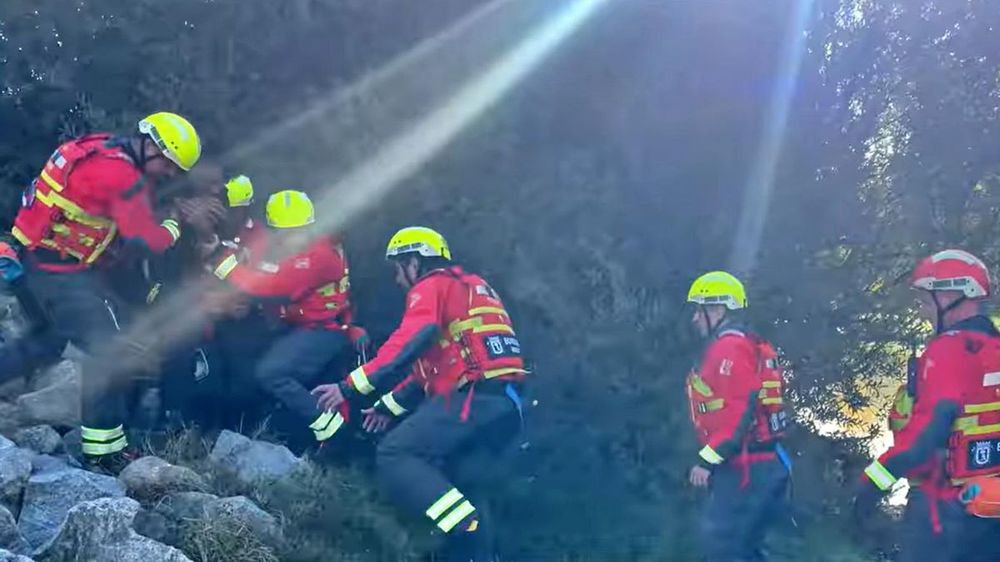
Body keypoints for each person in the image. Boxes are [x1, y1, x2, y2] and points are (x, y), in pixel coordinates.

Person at [312, 226, 527, 562]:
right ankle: (477, 554)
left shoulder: (432, 285)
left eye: (398, 269)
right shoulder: (471, 289)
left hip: (474, 399)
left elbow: (406, 344)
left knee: (397, 453)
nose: (398, 280)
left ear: (415, 262)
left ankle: (463, 536)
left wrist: (347, 387)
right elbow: (425, 373)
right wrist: (385, 407)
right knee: (460, 481)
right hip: (505, 406)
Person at [9, 111, 203, 472]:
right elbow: (145, 241)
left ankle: (103, 444)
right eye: (171, 166)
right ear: (153, 148)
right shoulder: (123, 176)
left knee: (45, 344)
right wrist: (176, 225)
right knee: (110, 350)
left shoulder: (97, 148)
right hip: (56, 269)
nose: (170, 174)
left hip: (36, 258)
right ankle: (102, 451)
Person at [855, 249, 1000, 562]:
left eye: (924, 301)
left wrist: (870, 485)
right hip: (990, 504)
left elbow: (924, 438)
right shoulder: (994, 348)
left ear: (951, 295)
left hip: (944, 509)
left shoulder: (947, 350)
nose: (922, 312)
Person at [210, 189, 366, 448]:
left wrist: (224, 264)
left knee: (272, 373)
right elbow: (271, 272)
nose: (292, 237)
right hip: (306, 325)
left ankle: (332, 431)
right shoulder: (315, 245)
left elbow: (269, 287)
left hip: (321, 330)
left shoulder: (316, 255)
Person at [684, 271, 791, 562]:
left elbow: (736, 412)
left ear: (717, 309)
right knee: (744, 548)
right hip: (763, 465)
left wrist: (707, 460)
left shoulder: (728, 348)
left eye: (700, 309)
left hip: (746, 468)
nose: (695, 318)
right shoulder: (747, 344)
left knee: (722, 546)